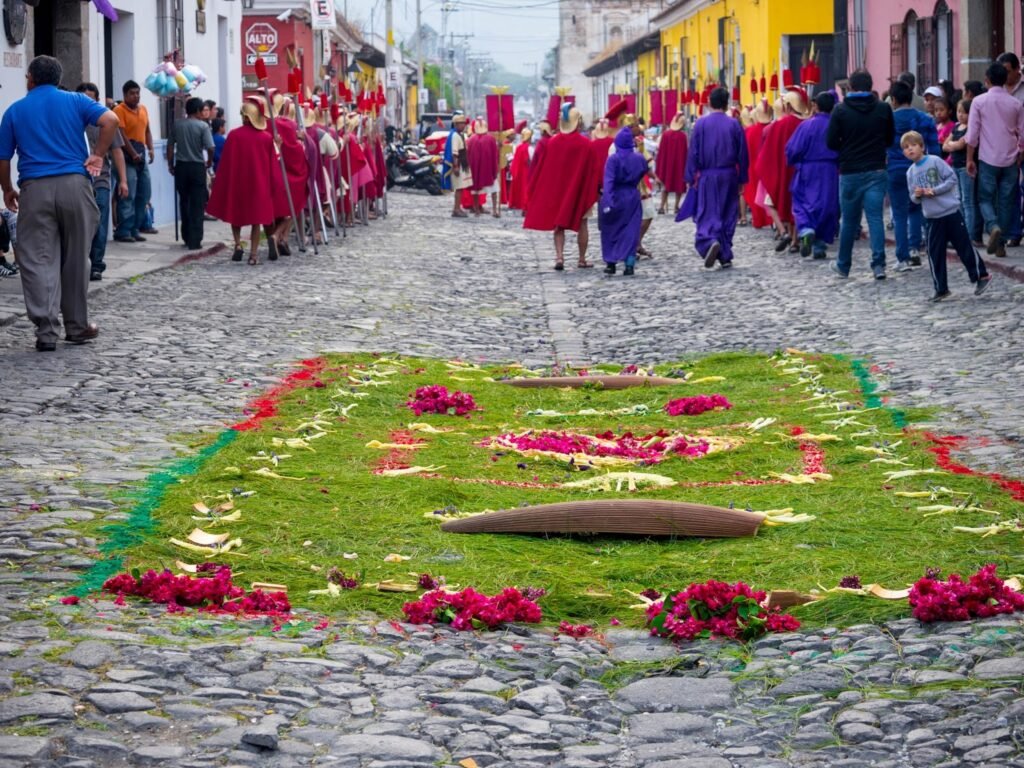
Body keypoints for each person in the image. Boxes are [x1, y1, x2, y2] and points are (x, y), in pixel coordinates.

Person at [0, 55, 119, 351]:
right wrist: (98, 155)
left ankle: (46, 330)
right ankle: (78, 326)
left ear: (30, 78)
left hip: (35, 188)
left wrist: (7, 189)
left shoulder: (15, 110)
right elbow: (111, 120)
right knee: (77, 258)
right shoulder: (77, 101)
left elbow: (3, 159)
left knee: (38, 259)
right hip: (75, 186)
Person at [903, 130, 991, 301]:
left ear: (921, 146)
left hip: (950, 213)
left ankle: (981, 276)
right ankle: (941, 288)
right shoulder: (910, 173)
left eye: (913, 145)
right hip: (932, 218)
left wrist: (934, 191)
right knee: (934, 253)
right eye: (906, 148)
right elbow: (913, 198)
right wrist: (919, 195)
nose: (910, 149)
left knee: (963, 246)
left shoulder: (935, 161)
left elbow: (951, 179)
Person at [826, 68, 895, 279]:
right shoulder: (883, 108)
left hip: (850, 172)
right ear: (870, 86)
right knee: (875, 218)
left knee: (849, 220)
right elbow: (890, 139)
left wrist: (846, 147)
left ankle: (844, 265)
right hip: (876, 168)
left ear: (851, 87)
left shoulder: (840, 110)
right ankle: (879, 265)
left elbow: (830, 142)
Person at [676, 87, 749, 270]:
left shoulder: (700, 124)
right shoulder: (734, 124)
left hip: (708, 175)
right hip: (729, 174)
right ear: (726, 103)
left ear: (709, 102)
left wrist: (690, 176)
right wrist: (742, 178)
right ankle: (724, 253)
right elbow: (743, 154)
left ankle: (709, 241)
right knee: (727, 212)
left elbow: (693, 152)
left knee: (707, 212)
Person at [523, 106, 598, 270]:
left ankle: (559, 257)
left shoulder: (552, 142)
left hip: (558, 191)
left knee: (558, 226)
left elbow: (544, 168)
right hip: (579, 190)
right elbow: (592, 170)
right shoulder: (586, 144)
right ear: (577, 122)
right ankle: (581, 259)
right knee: (583, 224)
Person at [206, 99, 277, 264]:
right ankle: (253, 255)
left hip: (238, 181)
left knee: (236, 216)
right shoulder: (266, 138)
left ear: (245, 117)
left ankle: (238, 245)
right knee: (255, 220)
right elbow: (272, 164)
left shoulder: (233, 135)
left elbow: (226, 162)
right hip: (258, 184)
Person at [965, 62, 1024, 258]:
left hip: (988, 158)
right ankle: (1001, 242)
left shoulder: (979, 102)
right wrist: (1019, 155)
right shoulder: (1015, 103)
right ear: (1005, 79)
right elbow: (1022, 135)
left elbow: (972, 135)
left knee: (985, 199)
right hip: (1010, 159)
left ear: (987, 80)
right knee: (1007, 201)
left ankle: (993, 226)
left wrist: (969, 159)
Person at [75, 82, 128, 282]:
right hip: (77, 179)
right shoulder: (73, 120)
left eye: (91, 98)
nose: (87, 102)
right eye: (83, 98)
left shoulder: (106, 121)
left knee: (99, 223)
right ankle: (79, 263)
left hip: (100, 179)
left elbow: (116, 152)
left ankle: (96, 264)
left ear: (97, 100)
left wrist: (123, 180)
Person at [887, 79, 940, 270]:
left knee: (899, 213)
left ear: (893, 100)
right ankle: (915, 249)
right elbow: (934, 147)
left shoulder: (889, 120)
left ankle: (902, 258)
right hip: (920, 169)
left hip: (895, 169)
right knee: (917, 209)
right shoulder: (925, 119)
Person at [785, 91, 840, 259]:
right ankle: (819, 245)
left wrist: (793, 161)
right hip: (830, 170)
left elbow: (793, 149)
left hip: (808, 169)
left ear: (815, 106)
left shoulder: (806, 125)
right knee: (827, 206)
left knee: (801, 202)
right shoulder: (835, 125)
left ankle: (806, 229)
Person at [757, 88, 807, 253]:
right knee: (797, 203)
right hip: (801, 170)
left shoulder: (778, 125)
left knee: (779, 202)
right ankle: (795, 240)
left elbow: (768, 153)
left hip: (782, 170)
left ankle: (785, 233)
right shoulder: (805, 123)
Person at [167, 96, 215, 251]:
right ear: (197, 110)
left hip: (181, 166)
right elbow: (211, 147)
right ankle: (195, 239)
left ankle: (186, 236)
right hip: (196, 167)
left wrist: (170, 163)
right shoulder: (203, 126)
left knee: (184, 202)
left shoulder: (177, 125)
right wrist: (209, 161)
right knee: (197, 204)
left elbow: (169, 146)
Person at [599, 126, 649, 276]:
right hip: (632, 195)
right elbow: (644, 169)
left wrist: (607, 201)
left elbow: (608, 182)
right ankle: (629, 264)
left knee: (611, 229)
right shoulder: (639, 157)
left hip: (616, 194)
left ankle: (611, 263)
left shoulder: (613, 159)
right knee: (631, 230)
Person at [112, 79, 157, 242]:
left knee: (144, 192)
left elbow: (147, 130)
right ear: (125, 95)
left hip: (141, 156)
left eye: (137, 93)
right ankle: (123, 230)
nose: (136, 96)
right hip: (125, 157)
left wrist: (151, 148)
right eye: (132, 93)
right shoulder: (119, 110)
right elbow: (121, 135)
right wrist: (132, 154)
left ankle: (135, 228)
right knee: (128, 193)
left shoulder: (143, 109)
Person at [944, 99, 981, 245]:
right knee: (958, 201)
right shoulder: (956, 127)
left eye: (965, 112)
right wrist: (953, 145)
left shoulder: (972, 128)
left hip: (965, 167)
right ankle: (960, 233)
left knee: (968, 201)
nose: (961, 115)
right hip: (955, 167)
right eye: (959, 112)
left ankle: (970, 234)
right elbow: (945, 146)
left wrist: (952, 145)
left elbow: (960, 145)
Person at [743, 100, 773, 229]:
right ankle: (772, 220)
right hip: (768, 165)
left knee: (755, 192)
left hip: (753, 164)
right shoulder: (773, 127)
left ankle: (758, 219)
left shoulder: (750, 131)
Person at [655, 112, 688, 215]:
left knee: (666, 185)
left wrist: (660, 166)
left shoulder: (665, 135)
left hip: (667, 164)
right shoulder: (683, 136)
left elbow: (661, 152)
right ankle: (676, 207)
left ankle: (661, 206)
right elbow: (685, 152)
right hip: (679, 164)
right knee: (679, 185)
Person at [467, 120, 501, 217]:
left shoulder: (471, 139)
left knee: (475, 190)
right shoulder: (491, 139)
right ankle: (495, 210)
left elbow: (469, 155)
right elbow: (495, 154)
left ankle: (477, 210)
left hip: (476, 169)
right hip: (488, 170)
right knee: (494, 189)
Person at [444, 114, 472, 217]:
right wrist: (455, 166)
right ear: (456, 124)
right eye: (461, 124)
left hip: (462, 163)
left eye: (464, 123)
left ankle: (457, 208)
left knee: (460, 188)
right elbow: (454, 153)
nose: (463, 126)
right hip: (458, 164)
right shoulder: (455, 136)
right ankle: (456, 209)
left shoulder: (459, 134)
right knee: (459, 188)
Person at [508, 127, 533, 213]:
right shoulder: (527, 147)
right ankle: (524, 204)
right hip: (525, 170)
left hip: (518, 170)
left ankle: (517, 203)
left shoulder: (519, 147)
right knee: (524, 188)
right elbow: (528, 160)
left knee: (519, 188)